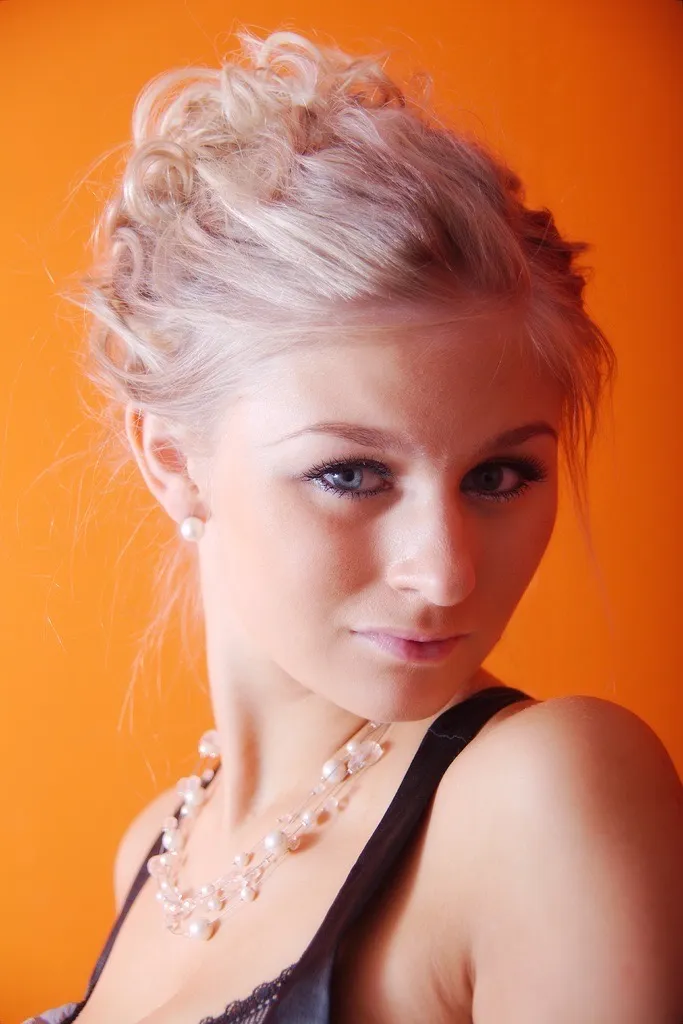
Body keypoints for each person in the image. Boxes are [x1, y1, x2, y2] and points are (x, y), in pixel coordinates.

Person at [27, 27, 683, 1024]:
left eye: (499, 474)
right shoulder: (155, 852)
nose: (443, 572)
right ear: (172, 458)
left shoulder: (546, 794)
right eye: (350, 473)